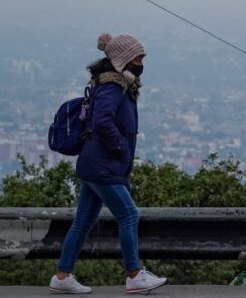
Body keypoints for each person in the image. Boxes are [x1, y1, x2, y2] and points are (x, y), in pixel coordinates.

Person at [49, 33, 167, 295]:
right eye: (138, 57)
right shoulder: (113, 86)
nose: (141, 62)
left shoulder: (117, 84)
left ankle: (62, 276)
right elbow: (103, 122)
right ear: (124, 59)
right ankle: (134, 275)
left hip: (96, 164)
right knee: (129, 214)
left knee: (83, 221)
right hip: (103, 164)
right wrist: (120, 148)